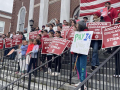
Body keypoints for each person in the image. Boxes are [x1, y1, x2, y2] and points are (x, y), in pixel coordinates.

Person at [74, 22, 88, 90]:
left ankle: (83, 84)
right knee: (78, 67)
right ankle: (80, 81)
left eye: (77, 25)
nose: (76, 26)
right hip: (77, 52)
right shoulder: (77, 33)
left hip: (83, 52)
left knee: (82, 67)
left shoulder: (85, 32)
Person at [112, 12, 120, 77]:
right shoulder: (116, 22)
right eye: (119, 14)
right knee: (116, 59)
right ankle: (116, 72)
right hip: (116, 43)